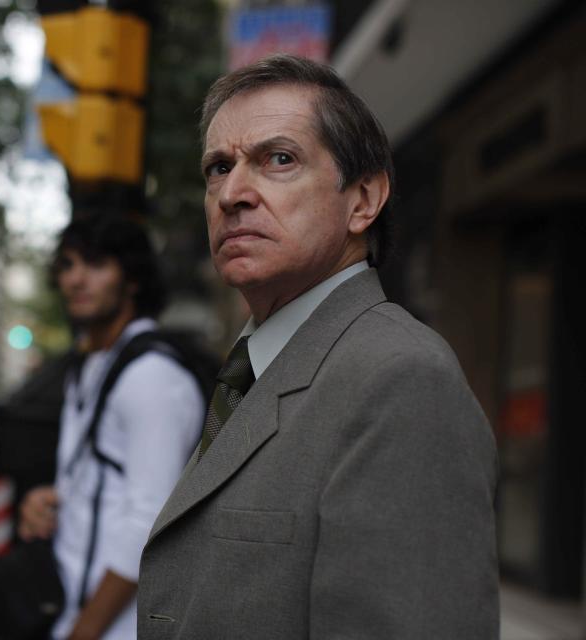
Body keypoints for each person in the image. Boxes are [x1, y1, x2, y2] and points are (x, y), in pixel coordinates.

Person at [137, 54, 500, 639]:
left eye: (278, 159)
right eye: (218, 167)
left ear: (363, 200)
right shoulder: (254, 368)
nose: (232, 192)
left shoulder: (401, 379)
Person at [18, 217, 206, 640]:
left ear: (133, 278)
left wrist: (83, 633)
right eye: (66, 265)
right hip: (69, 614)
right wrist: (49, 500)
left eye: (96, 263)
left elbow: (148, 523)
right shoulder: (92, 367)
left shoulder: (151, 376)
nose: (76, 279)